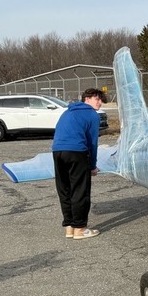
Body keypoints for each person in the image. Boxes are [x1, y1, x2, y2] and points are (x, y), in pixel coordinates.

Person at [53, 88, 108, 240]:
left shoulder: (67, 111)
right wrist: (92, 165)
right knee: (80, 190)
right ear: (87, 99)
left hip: (57, 151)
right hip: (77, 152)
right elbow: (93, 143)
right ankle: (80, 228)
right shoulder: (91, 115)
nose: (100, 102)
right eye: (97, 99)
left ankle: (69, 226)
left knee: (65, 189)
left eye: (101, 99)